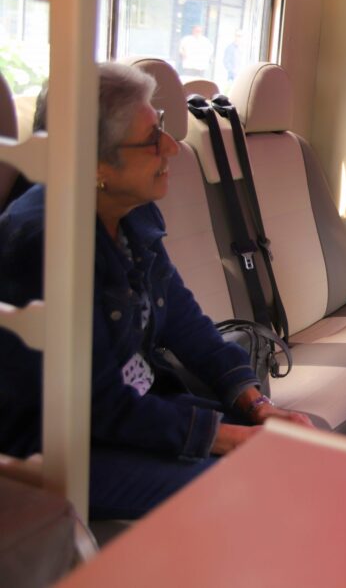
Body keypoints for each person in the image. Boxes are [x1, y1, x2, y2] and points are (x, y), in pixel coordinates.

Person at [0, 63, 313, 519]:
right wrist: (230, 438)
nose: (170, 147)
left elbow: (187, 323)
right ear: (95, 164)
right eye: (151, 139)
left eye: (162, 126)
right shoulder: (42, 242)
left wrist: (256, 404)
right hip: (62, 444)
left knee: (300, 449)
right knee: (248, 489)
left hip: (136, 411)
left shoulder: (132, 213)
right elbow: (99, 406)